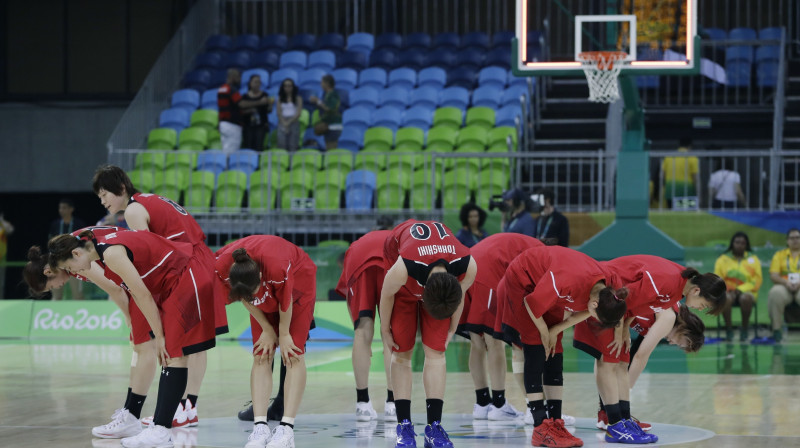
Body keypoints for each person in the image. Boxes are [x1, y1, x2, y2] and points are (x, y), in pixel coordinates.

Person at [49, 229, 216, 448]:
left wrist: (159, 335)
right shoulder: (101, 249)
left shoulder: (111, 255)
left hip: (187, 275)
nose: (73, 272)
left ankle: (160, 431)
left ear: (77, 254)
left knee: (173, 354)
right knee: (171, 355)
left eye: (70, 267)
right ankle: (160, 429)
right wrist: (158, 333)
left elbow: (142, 295)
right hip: (174, 280)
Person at [92, 165, 227, 429]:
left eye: (104, 193)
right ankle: (187, 408)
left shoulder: (132, 210)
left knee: (185, 344)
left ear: (121, 188)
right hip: (201, 259)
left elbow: (147, 253)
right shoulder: (150, 199)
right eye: (99, 197)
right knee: (197, 342)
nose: (103, 201)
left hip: (187, 265)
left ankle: (180, 408)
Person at [23, 226, 159, 441]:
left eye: (51, 287)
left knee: (144, 347)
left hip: (146, 273)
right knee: (143, 348)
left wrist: (130, 319)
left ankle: (132, 416)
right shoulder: (67, 251)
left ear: (48, 272)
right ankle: (132, 411)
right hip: (142, 268)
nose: (58, 286)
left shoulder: (76, 261)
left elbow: (116, 289)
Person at [576, 255, 725, 444]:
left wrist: (624, 331)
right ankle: (614, 423)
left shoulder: (676, 291)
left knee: (621, 361)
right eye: (703, 305)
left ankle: (622, 418)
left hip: (613, 300)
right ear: (696, 290)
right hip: (604, 293)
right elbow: (621, 297)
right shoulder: (669, 286)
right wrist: (620, 330)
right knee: (608, 360)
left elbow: (633, 305)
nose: (700, 309)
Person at [497, 245, 626, 448]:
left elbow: (584, 311)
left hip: (550, 280)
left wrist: (555, 331)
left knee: (555, 350)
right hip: (524, 280)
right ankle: (540, 427)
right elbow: (531, 303)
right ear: (594, 305)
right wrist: (544, 331)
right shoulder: (567, 281)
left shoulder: (609, 284)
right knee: (536, 348)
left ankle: (555, 422)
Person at [380, 219, 477, 448]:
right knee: (401, 351)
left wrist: (453, 325)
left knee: (436, 352)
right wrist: (384, 329)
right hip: (401, 279)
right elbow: (386, 292)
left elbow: (459, 294)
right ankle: (404, 425)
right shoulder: (403, 268)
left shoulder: (468, 264)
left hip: (435, 272)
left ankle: (434, 427)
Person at [215, 236, 317, 448]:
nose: (253, 297)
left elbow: (285, 300)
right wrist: (267, 329)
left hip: (299, 282)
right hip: (256, 286)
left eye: (255, 293)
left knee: (293, 354)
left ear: (261, 277)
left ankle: (286, 429)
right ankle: (259, 427)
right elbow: (243, 296)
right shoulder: (223, 267)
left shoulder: (277, 267)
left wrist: (284, 333)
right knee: (261, 354)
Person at [458, 233, 543, 423]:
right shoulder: (541, 252)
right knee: (495, 342)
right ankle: (498, 405)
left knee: (477, 342)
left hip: (468, 271)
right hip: (487, 275)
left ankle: (482, 404)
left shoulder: (525, 242)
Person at [335, 230, 395, 422]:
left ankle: (362, 404)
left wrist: (362, 337)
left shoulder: (357, 245)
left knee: (361, 332)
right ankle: (393, 404)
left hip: (359, 258)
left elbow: (348, 300)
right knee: (391, 332)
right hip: (392, 258)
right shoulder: (400, 239)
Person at [714, 231, 762, 341]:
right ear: (732, 243)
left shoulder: (753, 259)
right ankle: (729, 329)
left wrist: (740, 290)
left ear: (746, 245)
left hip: (747, 292)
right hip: (728, 292)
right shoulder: (722, 259)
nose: (740, 245)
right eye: (737, 242)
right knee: (725, 298)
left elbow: (757, 280)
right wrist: (728, 289)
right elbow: (717, 279)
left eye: (743, 243)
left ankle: (744, 329)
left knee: (746, 298)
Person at [218, 69, 272, 155]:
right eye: (238, 77)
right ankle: (228, 167)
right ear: (233, 77)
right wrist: (260, 102)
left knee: (226, 148)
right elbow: (241, 104)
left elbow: (227, 108)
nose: (239, 80)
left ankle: (226, 165)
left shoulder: (222, 89)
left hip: (223, 123)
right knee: (232, 150)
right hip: (232, 125)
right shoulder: (231, 89)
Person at [48, 198, 87, 300]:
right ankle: (54, 315)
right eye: (60, 208)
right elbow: (51, 243)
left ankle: (81, 315)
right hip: (58, 263)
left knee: (78, 295)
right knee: (56, 296)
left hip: (74, 262)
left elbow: (84, 243)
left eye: (64, 208)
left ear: (71, 209)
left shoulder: (79, 224)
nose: (61, 210)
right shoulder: (55, 224)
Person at [766, 228, 800, 344]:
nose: (795, 240)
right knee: (775, 293)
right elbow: (774, 275)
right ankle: (776, 331)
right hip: (785, 286)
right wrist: (786, 283)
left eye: (797, 237)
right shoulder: (779, 255)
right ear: (787, 241)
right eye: (792, 238)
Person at [661, 137, 700, 205]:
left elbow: (662, 175)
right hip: (687, 193)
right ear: (690, 146)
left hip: (670, 192)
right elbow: (696, 179)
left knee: (672, 214)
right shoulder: (693, 158)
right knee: (687, 214)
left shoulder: (668, 157)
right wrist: (699, 195)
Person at [308, 74, 341, 150]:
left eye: (322, 82)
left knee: (331, 149)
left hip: (333, 125)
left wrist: (318, 101)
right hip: (327, 125)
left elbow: (330, 108)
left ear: (327, 84)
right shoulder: (325, 95)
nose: (321, 84)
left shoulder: (333, 95)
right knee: (328, 147)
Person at [242, 74, 273, 151]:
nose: (257, 84)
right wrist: (250, 110)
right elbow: (241, 111)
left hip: (261, 125)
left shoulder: (265, 95)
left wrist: (270, 105)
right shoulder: (244, 97)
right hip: (248, 125)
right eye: (255, 82)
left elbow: (268, 111)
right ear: (250, 83)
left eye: (259, 82)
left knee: (259, 146)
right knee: (248, 146)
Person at [276, 78, 303, 152]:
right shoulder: (280, 99)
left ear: (293, 87)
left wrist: (289, 122)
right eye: (285, 86)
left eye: (289, 86)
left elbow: (298, 113)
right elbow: (278, 112)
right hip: (282, 121)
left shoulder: (298, 98)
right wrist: (284, 123)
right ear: (283, 87)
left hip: (293, 121)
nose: (287, 88)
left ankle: (291, 163)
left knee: (293, 145)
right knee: (281, 145)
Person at [0, 210, 13, 300]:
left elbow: (10, 230)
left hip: (1, 259)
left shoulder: (4, 226)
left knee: (1, 284)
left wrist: (1, 221)